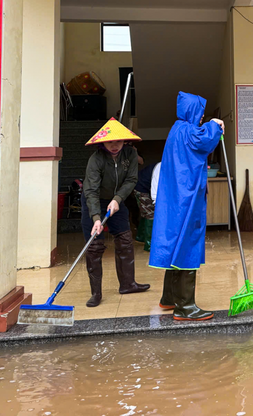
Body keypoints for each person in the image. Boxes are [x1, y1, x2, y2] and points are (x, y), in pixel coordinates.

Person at [150, 92, 224, 321]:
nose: (202, 117)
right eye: (200, 112)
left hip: (176, 199)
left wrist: (211, 126)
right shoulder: (188, 131)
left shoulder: (176, 129)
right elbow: (204, 140)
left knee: (176, 243)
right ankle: (185, 307)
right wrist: (215, 125)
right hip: (186, 200)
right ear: (193, 111)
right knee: (187, 245)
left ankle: (169, 297)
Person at [82, 118, 151, 308]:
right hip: (93, 201)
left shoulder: (130, 154)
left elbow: (131, 180)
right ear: (102, 142)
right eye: (110, 142)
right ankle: (96, 293)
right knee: (94, 245)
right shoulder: (96, 160)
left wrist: (117, 199)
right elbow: (91, 191)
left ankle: (128, 284)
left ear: (125, 141)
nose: (114, 145)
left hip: (116, 201)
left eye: (118, 141)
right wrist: (96, 218)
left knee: (125, 240)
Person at [133, 161, 160, 252]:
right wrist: (157, 204)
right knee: (150, 214)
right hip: (141, 188)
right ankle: (149, 244)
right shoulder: (160, 168)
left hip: (146, 186)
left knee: (146, 212)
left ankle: (140, 236)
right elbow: (155, 190)